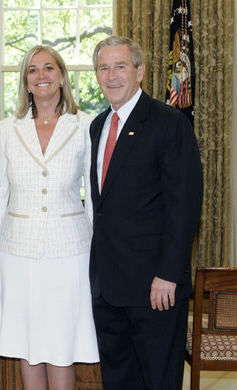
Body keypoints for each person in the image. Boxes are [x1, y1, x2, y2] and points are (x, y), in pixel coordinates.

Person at [0, 45, 99, 390]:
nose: (41, 75)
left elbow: (95, 195)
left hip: (70, 251)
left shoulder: (86, 125)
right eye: (32, 70)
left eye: (48, 68)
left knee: (61, 345)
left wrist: (99, 252)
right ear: (25, 82)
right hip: (18, 252)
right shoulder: (9, 128)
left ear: (61, 76)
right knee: (28, 344)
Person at [89, 36, 203, 390]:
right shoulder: (97, 126)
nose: (111, 76)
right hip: (108, 287)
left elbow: (184, 205)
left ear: (139, 70)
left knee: (159, 381)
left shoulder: (169, 123)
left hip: (155, 287)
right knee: (118, 380)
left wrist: (169, 274)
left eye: (120, 66)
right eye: (103, 68)